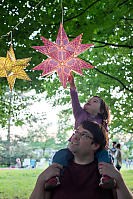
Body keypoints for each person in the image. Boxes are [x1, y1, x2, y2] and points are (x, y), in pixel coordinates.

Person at [29, 121, 133, 199]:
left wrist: (119, 179)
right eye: (76, 132)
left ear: (95, 145)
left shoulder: (105, 173)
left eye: (83, 134)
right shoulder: (58, 170)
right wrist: (41, 180)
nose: (74, 137)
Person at [45, 73, 113, 190]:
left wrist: (104, 148)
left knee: (105, 155)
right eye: (89, 100)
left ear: (102, 110)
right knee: (62, 154)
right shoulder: (80, 114)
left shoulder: (102, 122)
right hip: (75, 145)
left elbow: (104, 137)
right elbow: (75, 100)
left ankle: (106, 177)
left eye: (95, 101)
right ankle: (54, 177)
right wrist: (72, 85)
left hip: (94, 147)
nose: (90, 101)